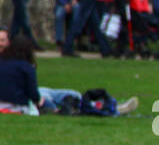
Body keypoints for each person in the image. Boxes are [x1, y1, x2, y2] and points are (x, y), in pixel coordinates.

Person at [0, 34, 138, 114]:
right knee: (59, 96)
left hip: (9, 101)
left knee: (51, 92)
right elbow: (33, 94)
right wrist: (38, 100)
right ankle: (104, 107)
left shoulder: (4, 62)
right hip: (18, 104)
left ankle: (96, 104)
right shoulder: (26, 67)